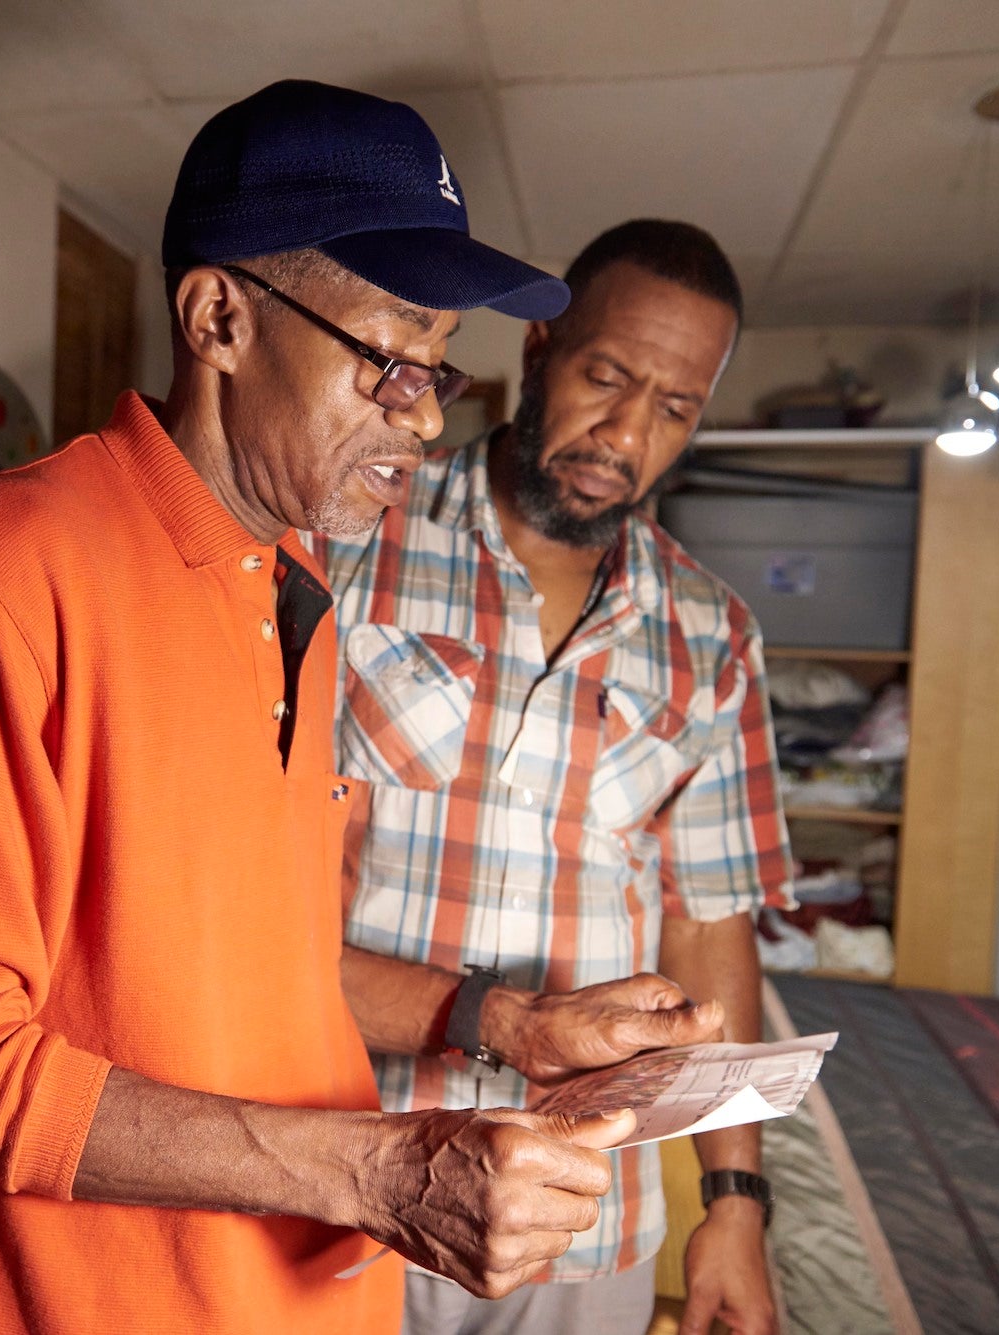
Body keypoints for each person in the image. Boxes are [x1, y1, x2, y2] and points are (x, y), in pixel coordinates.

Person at [0, 87, 723, 1335]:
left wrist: (506, 1022)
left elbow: (258, 960)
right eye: (386, 362)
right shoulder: (10, 564)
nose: (423, 418)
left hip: (313, 1296)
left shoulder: (297, 587)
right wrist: (371, 1170)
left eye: (436, 369)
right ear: (220, 316)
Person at [320, 219, 795, 1335]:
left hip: (583, 1204)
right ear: (537, 350)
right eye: (604, 376)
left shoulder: (712, 636)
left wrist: (732, 1203)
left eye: (672, 409)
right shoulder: (353, 532)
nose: (624, 433)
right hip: (344, 1165)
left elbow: (705, 929)